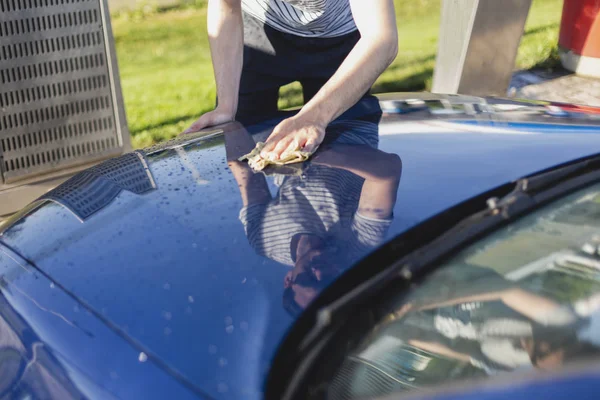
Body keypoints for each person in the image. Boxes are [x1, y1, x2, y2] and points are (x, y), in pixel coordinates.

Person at [223, 107, 402, 315]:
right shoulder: (361, 243)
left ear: (289, 279)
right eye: (327, 279)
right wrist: (312, 154)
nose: (318, 271)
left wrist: (229, 124)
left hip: (279, 134)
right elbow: (389, 170)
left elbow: (247, 175)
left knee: (238, 99)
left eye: (308, 279)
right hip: (348, 120)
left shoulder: (264, 241)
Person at [184, 0, 398, 162]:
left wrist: (314, 117)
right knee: (237, 137)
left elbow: (381, 39)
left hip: (341, 37)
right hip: (261, 29)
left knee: (339, 146)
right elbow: (226, 7)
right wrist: (226, 107)